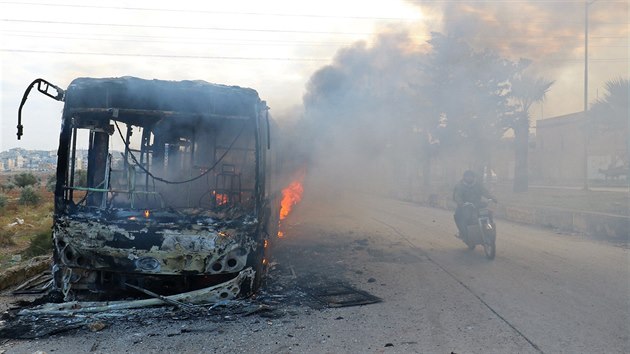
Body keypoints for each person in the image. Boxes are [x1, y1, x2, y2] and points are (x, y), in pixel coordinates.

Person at [453, 170, 496, 238]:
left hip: (477, 204)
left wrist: (493, 198)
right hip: (465, 206)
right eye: (467, 176)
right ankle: (463, 232)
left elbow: (485, 192)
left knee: (488, 214)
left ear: (473, 177)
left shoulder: (478, 185)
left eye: (471, 176)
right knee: (458, 216)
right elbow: (457, 196)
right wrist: (461, 203)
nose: (469, 178)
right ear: (464, 177)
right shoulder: (460, 186)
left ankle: (489, 229)